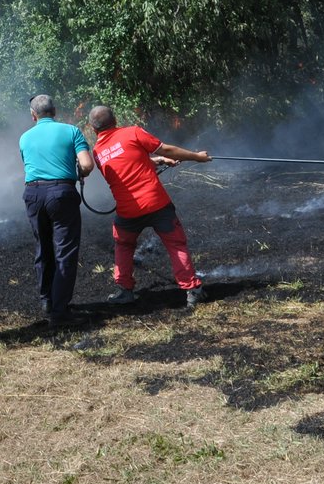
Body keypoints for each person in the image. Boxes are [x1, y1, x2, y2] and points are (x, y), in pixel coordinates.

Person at [88, 105, 212, 307]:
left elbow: (126, 161)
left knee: (124, 246)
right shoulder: (133, 132)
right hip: (156, 203)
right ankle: (192, 290)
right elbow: (166, 148)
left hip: (127, 211)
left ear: (93, 129)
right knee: (176, 244)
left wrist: (160, 161)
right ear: (116, 119)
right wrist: (197, 157)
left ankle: (124, 290)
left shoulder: (98, 152)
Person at [18, 94, 93, 327]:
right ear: (55, 111)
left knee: (43, 247)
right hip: (61, 193)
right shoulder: (72, 131)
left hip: (33, 194)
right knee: (65, 250)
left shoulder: (24, 137)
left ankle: (46, 300)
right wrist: (80, 171)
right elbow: (87, 164)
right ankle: (60, 312)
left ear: (33, 115)